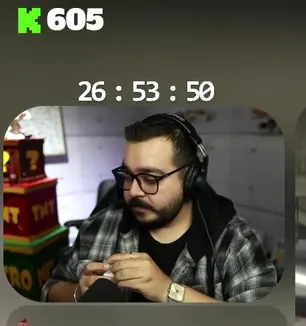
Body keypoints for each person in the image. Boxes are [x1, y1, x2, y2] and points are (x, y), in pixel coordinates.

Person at [41, 113, 277, 303]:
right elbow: (50, 290)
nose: (133, 191)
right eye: (127, 175)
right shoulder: (100, 225)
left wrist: (167, 290)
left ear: (189, 178)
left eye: (150, 178)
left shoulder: (235, 241)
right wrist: (78, 293)